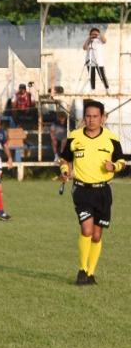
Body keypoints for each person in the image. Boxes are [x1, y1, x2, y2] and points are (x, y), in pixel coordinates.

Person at [59, 100, 128, 285]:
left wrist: (113, 166)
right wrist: (65, 171)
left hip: (103, 191)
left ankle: (90, 273)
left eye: (95, 116)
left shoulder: (111, 138)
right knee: (86, 229)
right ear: (84, 118)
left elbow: (122, 162)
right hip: (81, 190)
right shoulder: (74, 137)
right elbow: (64, 159)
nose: (91, 120)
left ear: (103, 118)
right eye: (88, 116)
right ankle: (82, 271)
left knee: (97, 235)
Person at [83, 28, 109, 93]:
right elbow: (84, 47)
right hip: (90, 60)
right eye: (92, 34)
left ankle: (107, 89)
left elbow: (105, 41)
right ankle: (93, 89)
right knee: (92, 76)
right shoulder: (89, 41)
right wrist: (89, 38)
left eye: (95, 34)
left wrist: (99, 35)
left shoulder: (99, 40)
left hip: (99, 61)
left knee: (102, 75)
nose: (94, 35)